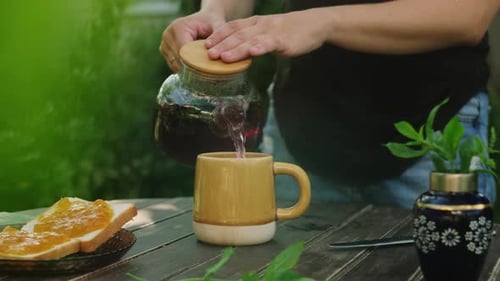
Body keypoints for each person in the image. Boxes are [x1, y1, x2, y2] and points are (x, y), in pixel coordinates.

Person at [159, 0, 500, 209]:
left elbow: (467, 13)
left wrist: (322, 21)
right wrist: (214, 14)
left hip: (433, 134)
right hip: (299, 135)